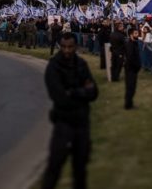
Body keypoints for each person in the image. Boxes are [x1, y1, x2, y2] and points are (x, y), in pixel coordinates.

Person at [42, 32, 98, 189]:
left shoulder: (81, 65)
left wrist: (73, 92)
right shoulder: (54, 66)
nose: (67, 51)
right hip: (63, 123)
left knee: (80, 169)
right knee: (55, 167)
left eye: (70, 47)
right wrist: (82, 92)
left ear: (76, 47)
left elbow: (94, 92)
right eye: (64, 47)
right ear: (60, 46)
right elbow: (59, 97)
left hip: (82, 124)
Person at [124, 28, 141, 110]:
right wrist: (136, 66)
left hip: (133, 69)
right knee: (130, 87)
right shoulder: (130, 45)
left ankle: (129, 103)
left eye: (137, 33)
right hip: (130, 69)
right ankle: (128, 105)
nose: (137, 35)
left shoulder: (134, 43)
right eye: (135, 33)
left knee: (132, 87)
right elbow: (130, 58)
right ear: (131, 35)